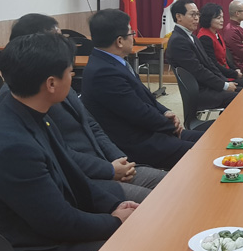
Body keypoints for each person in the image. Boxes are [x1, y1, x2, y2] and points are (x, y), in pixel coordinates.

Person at [0, 32, 137, 251]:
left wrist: (113, 205)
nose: (73, 76)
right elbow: (59, 223)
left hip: (43, 232)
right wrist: (115, 222)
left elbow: (74, 176)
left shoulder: (33, 115)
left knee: (135, 231)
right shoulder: (12, 146)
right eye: (70, 71)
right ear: (51, 83)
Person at [4, 13, 165, 202]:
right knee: (158, 202)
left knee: (171, 183)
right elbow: (60, 153)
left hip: (107, 163)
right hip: (82, 179)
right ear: (33, 45)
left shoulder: (60, 77)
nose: (64, 44)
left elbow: (92, 125)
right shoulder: (26, 95)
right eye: (57, 38)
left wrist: (119, 159)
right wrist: (109, 170)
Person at [83, 9, 206, 170]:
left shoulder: (113, 62)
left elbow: (145, 97)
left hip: (152, 131)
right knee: (206, 152)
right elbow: (138, 112)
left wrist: (165, 112)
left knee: (212, 140)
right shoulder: (103, 73)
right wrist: (170, 126)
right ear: (119, 41)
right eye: (131, 33)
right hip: (140, 143)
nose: (133, 37)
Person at [166, 0, 240, 110]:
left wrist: (224, 81)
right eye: (193, 14)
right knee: (242, 96)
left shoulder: (192, 36)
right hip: (201, 92)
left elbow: (209, 64)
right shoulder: (178, 40)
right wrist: (224, 85)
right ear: (179, 16)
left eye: (197, 14)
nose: (197, 18)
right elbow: (198, 70)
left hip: (208, 86)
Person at [197, 3, 243, 85]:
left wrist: (235, 69)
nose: (222, 20)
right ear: (208, 19)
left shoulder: (216, 33)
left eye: (222, 17)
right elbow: (213, 64)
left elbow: (225, 59)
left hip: (225, 72)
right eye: (218, 18)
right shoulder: (205, 38)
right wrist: (234, 74)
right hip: (218, 77)